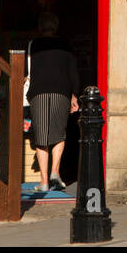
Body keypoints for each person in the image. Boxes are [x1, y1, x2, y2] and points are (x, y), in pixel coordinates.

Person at [25, 13, 80, 192]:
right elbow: (73, 72)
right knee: (59, 133)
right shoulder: (65, 45)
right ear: (56, 26)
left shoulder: (33, 45)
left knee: (41, 136)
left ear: (41, 27)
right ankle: (55, 172)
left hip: (38, 91)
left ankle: (44, 182)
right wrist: (74, 95)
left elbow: (27, 71)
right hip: (61, 91)